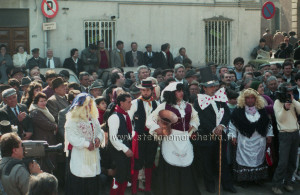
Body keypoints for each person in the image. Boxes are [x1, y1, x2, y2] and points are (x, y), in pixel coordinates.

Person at [146, 82, 200, 195]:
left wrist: (193, 125)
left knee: (186, 163)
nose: (181, 93)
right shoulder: (164, 106)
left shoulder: (188, 106)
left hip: (185, 139)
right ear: (172, 93)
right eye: (178, 91)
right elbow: (150, 120)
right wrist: (158, 129)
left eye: (182, 91)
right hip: (170, 139)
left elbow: (195, 118)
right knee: (171, 165)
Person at [193, 67, 236, 193]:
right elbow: (201, 119)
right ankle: (209, 185)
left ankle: (227, 185)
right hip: (206, 136)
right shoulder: (198, 101)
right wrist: (213, 129)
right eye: (210, 87)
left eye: (215, 86)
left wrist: (221, 126)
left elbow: (227, 113)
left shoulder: (220, 98)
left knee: (222, 161)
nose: (214, 88)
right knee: (207, 162)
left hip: (220, 134)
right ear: (204, 88)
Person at [228, 88, 273, 184]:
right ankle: (244, 180)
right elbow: (232, 124)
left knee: (258, 159)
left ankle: (257, 179)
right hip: (244, 141)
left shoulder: (261, 110)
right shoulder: (238, 111)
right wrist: (233, 136)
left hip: (259, 140)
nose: (250, 100)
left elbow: (268, 123)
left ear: (256, 98)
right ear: (243, 99)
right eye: (248, 98)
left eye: (252, 98)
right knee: (243, 159)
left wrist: (269, 134)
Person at [65, 93, 104, 195]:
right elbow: (72, 137)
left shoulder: (93, 118)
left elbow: (100, 132)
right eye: (87, 104)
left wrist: (98, 139)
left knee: (93, 183)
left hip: (94, 156)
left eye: (91, 104)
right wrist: (86, 144)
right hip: (81, 156)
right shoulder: (72, 120)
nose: (90, 106)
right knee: (81, 184)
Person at [127, 79, 158, 195]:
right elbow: (128, 119)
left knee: (150, 160)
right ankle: (134, 189)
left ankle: (148, 188)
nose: (145, 92)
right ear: (140, 90)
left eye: (148, 90)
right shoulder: (135, 103)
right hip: (139, 136)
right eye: (143, 90)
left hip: (152, 136)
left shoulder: (156, 103)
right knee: (137, 162)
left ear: (151, 90)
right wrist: (131, 135)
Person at [272, 83, 300, 194]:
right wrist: (285, 108)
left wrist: (293, 101)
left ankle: (288, 182)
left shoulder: (293, 101)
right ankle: (276, 185)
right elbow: (280, 119)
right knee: (283, 162)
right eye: (289, 93)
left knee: (292, 161)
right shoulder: (277, 102)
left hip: (295, 133)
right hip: (285, 134)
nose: (291, 94)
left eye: (292, 92)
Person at [107, 93, 133, 195]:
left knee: (125, 175)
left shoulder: (126, 115)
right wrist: (125, 149)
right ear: (121, 103)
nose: (131, 104)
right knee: (119, 176)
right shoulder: (114, 117)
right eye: (129, 102)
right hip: (117, 152)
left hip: (125, 150)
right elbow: (113, 138)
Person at [29, 92, 58, 172]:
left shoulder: (44, 110)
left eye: (45, 100)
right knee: (45, 166)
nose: (44, 103)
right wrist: (55, 126)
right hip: (42, 142)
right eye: (41, 101)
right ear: (36, 102)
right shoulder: (35, 112)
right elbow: (48, 125)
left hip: (48, 140)